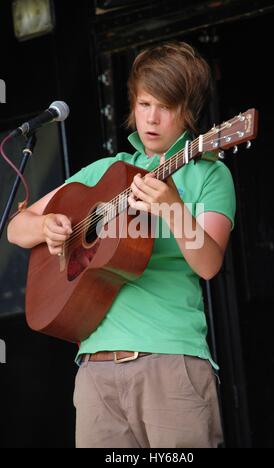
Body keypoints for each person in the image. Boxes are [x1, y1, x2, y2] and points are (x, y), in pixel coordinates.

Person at [7, 41, 236, 448]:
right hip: (95, 371)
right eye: (145, 103)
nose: (151, 118)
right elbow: (16, 228)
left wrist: (172, 208)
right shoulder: (105, 171)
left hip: (170, 361)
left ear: (189, 111)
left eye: (165, 106)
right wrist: (49, 227)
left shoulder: (208, 175)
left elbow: (208, 263)